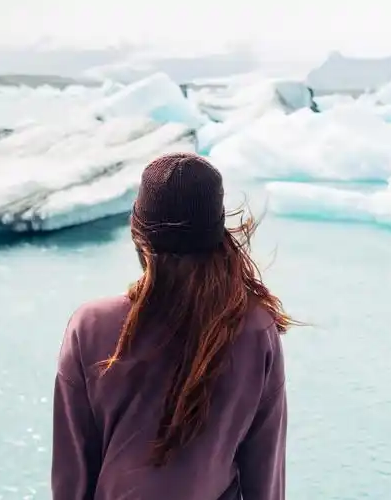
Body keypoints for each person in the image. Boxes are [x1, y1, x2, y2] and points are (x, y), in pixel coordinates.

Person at [52, 152, 296, 500]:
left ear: (137, 235)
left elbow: (71, 477)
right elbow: (265, 478)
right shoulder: (255, 330)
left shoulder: (90, 327)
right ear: (218, 237)